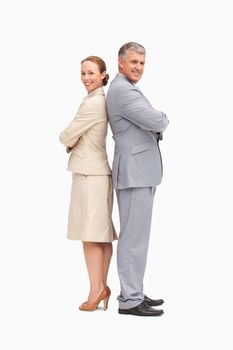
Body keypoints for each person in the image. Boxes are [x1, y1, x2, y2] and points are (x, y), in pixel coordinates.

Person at [106, 42, 169, 316]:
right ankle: (130, 300)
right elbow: (157, 121)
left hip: (140, 171)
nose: (138, 68)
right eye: (133, 62)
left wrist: (154, 121)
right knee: (133, 238)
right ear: (120, 62)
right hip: (134, 173)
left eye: (142, 63)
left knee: (138, 238)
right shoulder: (122, 90)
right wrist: (162, 118)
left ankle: (135, 292)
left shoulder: (127, 88)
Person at [59, 56, 117, 312]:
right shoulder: (100, 101)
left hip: (89, 175)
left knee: (90, 237)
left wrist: (72, 141)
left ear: (104, 75)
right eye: (83, 73)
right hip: (99, 173)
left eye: (91, 73)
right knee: (101, 237)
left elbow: (65, 135)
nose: (86, 78)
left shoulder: (93, 104)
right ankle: (101, 287)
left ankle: (95, 291)